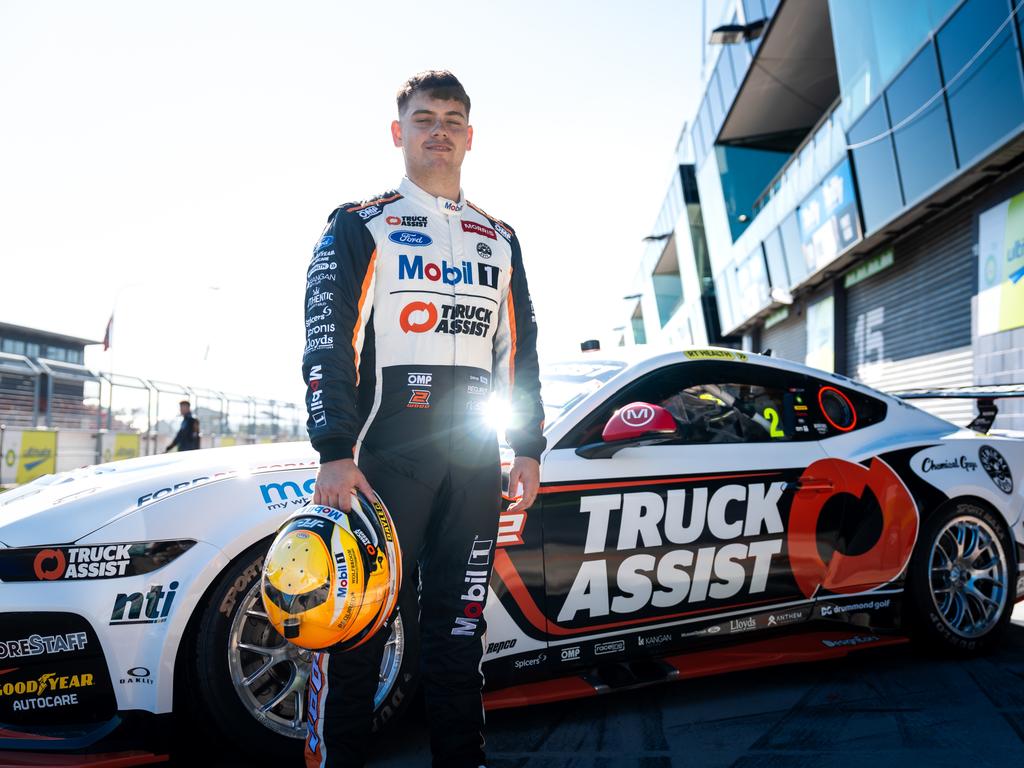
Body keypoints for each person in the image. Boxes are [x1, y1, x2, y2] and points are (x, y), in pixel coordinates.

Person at [301, 70, 544, 768]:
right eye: (424, 118)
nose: (439, 131)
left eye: (452, 120)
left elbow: (518, 351)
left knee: (457, 638)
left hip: (472, 468)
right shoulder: (360, 223)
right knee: (354, 637)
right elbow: (327, 338)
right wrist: (333, 448)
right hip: (381, 468)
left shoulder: (499, 238)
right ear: (398, 131)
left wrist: (526, 445)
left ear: (470, 136)